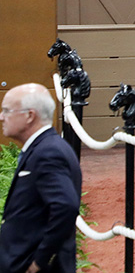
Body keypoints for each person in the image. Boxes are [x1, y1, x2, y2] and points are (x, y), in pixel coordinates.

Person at [0, 83, 83, 273]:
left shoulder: (48, 152)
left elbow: (65, 207)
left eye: (7, 111)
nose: (1, 117)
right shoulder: (44, 147)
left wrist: (40, 260)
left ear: (30, 115)